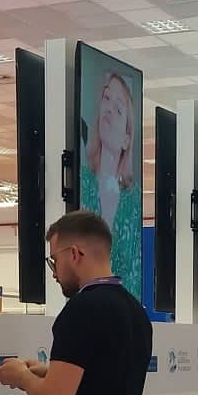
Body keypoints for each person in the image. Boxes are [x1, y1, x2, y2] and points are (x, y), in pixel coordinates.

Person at [0, 210, 151, 395]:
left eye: (54, 260)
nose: (54, 273)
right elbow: (103, 379)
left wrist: (22, 376)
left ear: (75, 254)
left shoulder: (82, 310)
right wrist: (48, 372)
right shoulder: (135, 310)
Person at [79, 70, 142, 298]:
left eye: (118, 109)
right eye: (106, 99)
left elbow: (133, 274)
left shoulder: (132, 201)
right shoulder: (83, 183)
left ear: (126, 139)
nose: (109, 110)